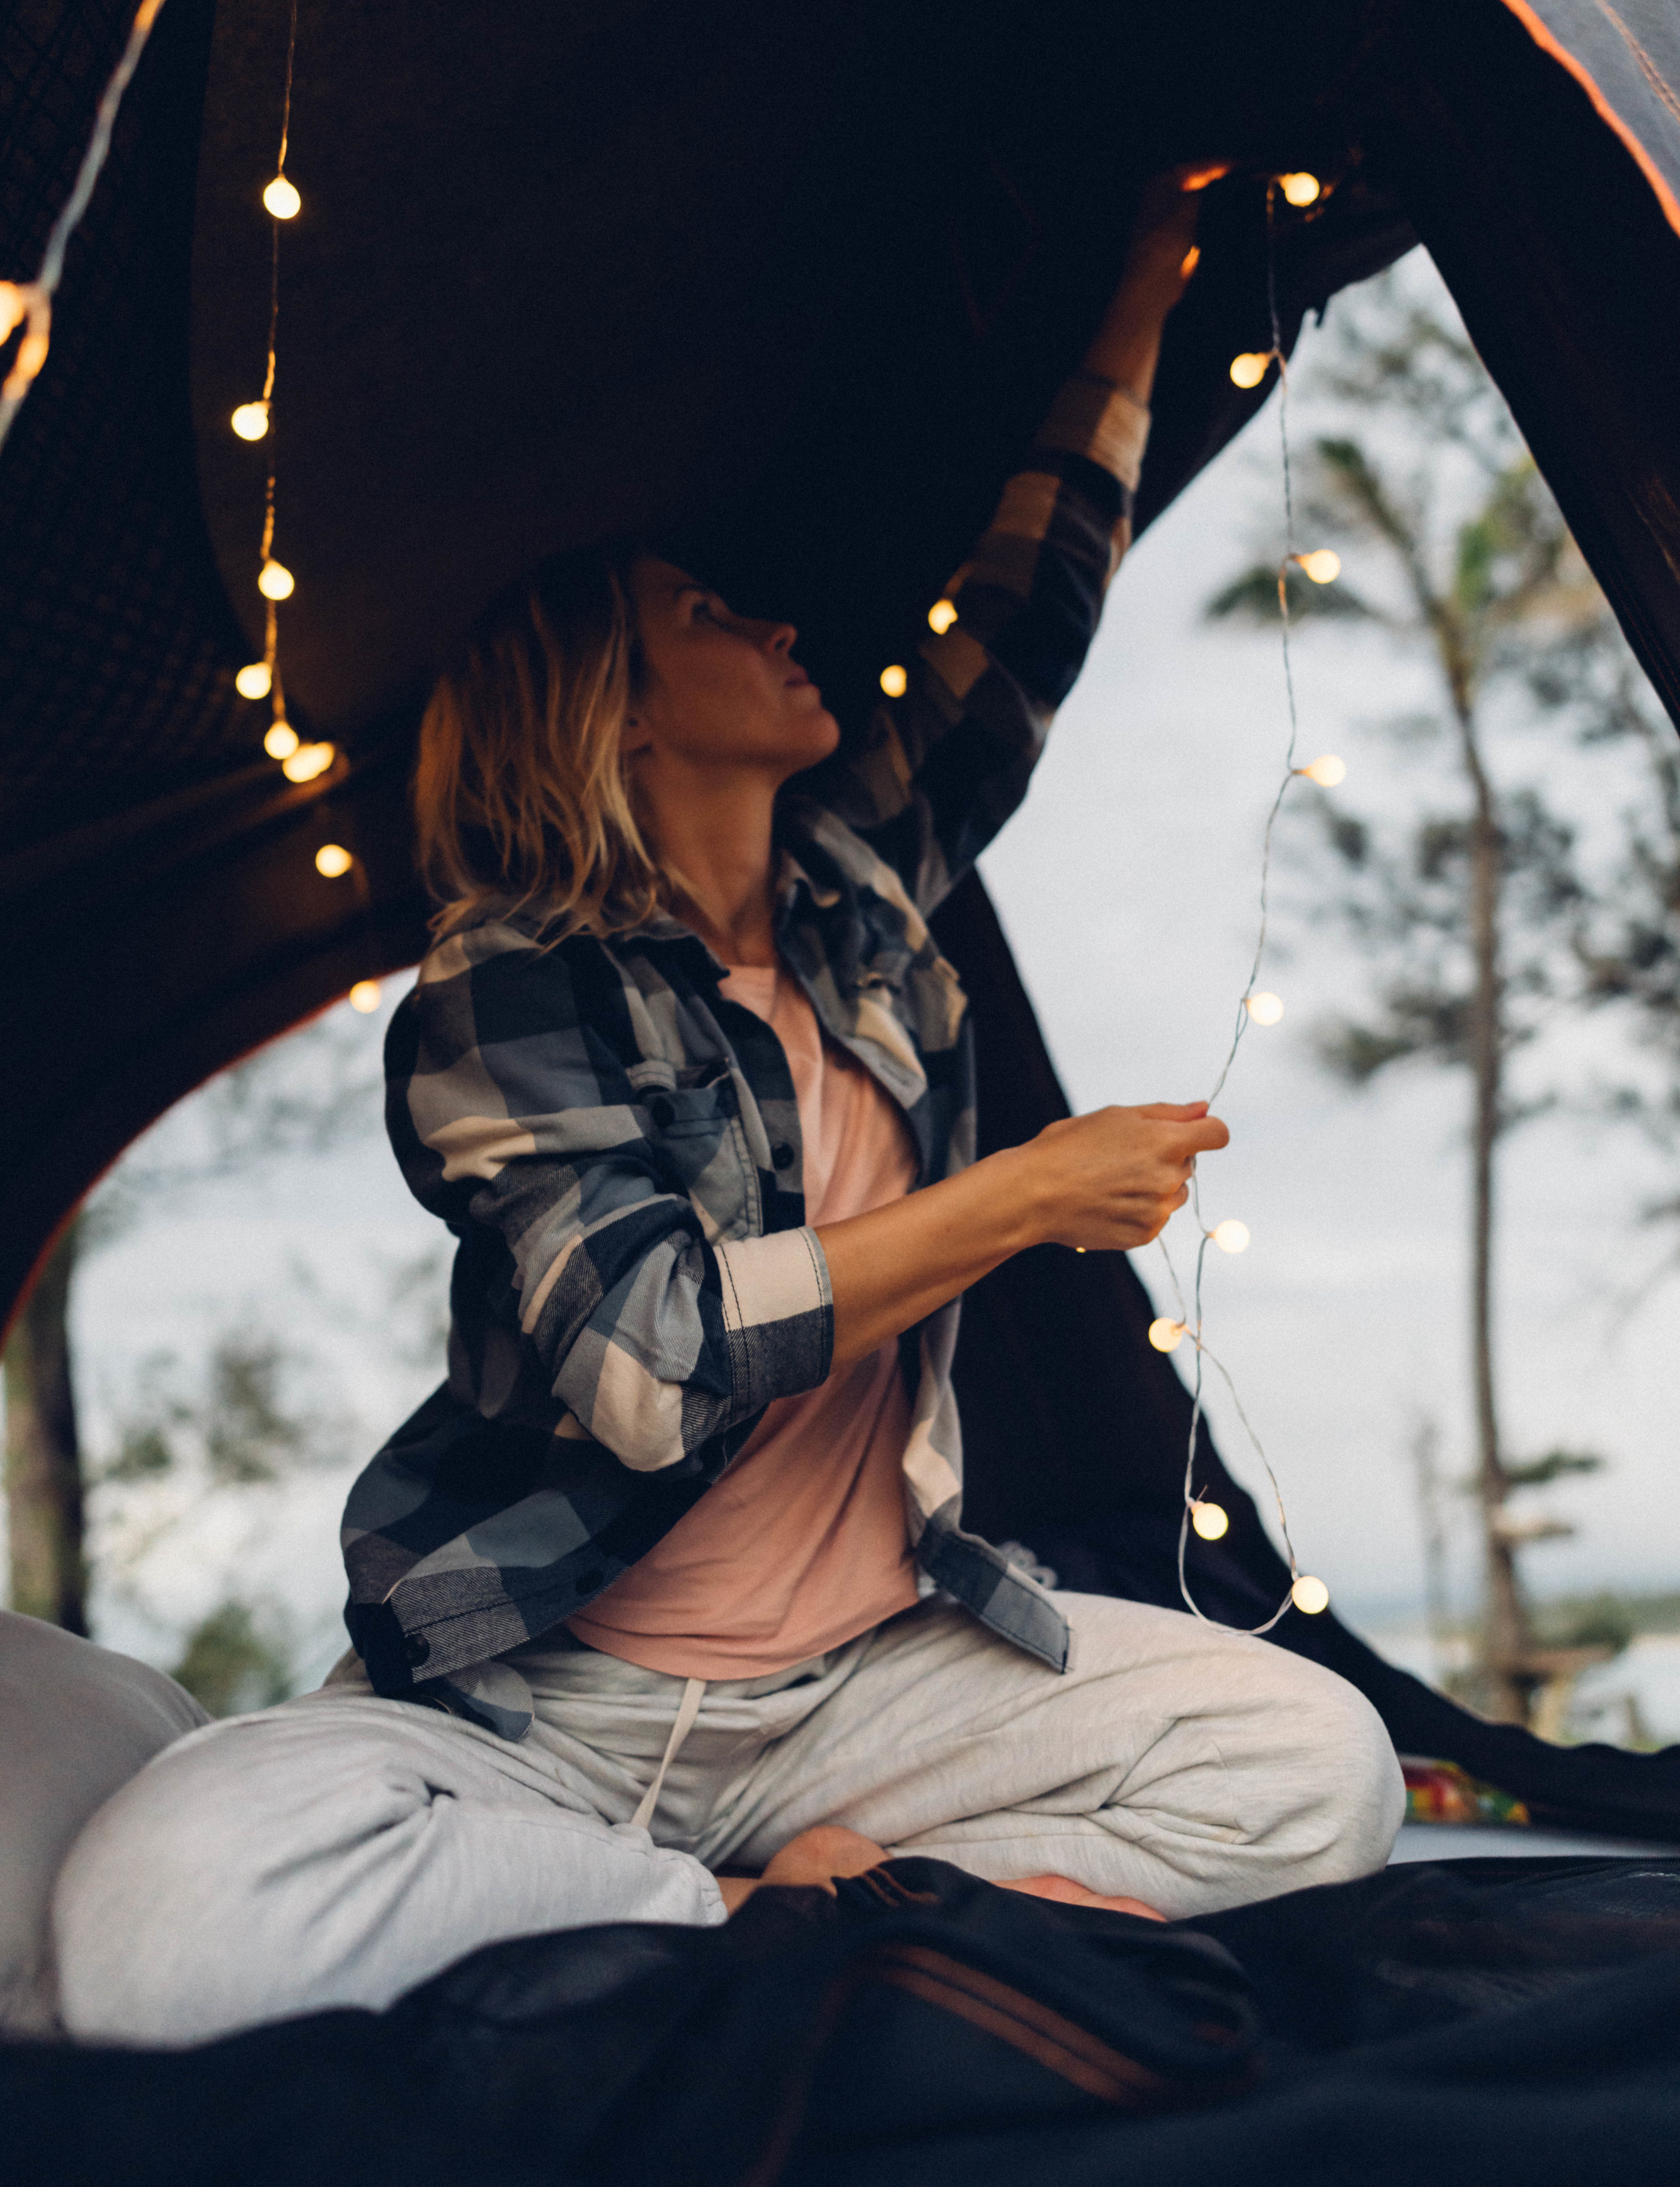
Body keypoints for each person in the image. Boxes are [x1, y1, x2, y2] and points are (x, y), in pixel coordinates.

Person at [53, 171, 1403, 2047]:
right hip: (556, 1704)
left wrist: (1136, 309)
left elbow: (1024, 624)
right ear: (609, 714)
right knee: (169, 1925)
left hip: (872, 1682)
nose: (775, 630)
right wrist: (1014, 1197)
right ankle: (747, 1915)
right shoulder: (503, 983)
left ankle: (867, 1891)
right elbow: (647, 1353)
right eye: (705, 614)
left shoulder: (861, 899)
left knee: (1321, 1769)